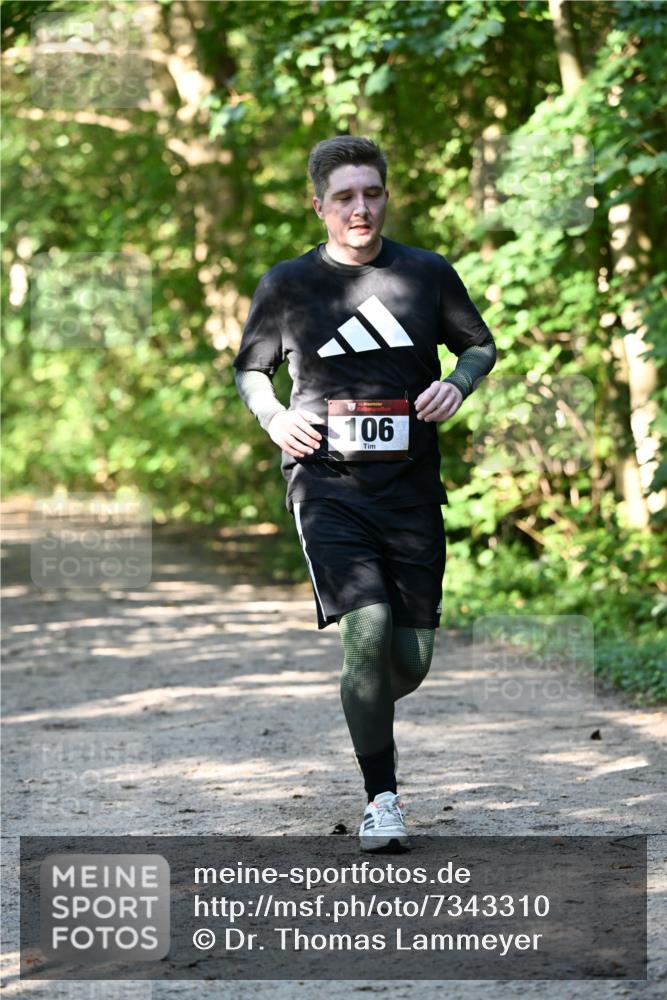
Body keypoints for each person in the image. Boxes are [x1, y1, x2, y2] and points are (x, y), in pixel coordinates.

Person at [233, 135, 496, 851]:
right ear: (318, 205)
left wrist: (457, 382)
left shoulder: (424, 273)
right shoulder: (287, 284)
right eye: (344, 197)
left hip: (410, 490)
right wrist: (274, 416)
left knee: (406, 661)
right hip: (325, 484)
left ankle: (362, 697)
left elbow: (479, 344)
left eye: (371, 193)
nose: (360, 208)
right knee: (368, 630)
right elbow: (251, 370)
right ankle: (382, 799)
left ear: (386, 196)